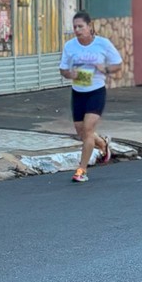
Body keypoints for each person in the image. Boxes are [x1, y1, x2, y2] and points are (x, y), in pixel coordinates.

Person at [59, 11, 123, 183]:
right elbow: (63, 69)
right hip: (78, 92)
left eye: (81, 26)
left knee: (87, 130)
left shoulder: (102, 44)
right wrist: (69, 74)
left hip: (96, 92)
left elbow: (117, 64)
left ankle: (82, 170)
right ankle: (103, 144)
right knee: (82, 132)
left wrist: (106, 69)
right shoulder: (70, 46)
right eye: (75, 27)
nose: (78, 30)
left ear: (90, 26)